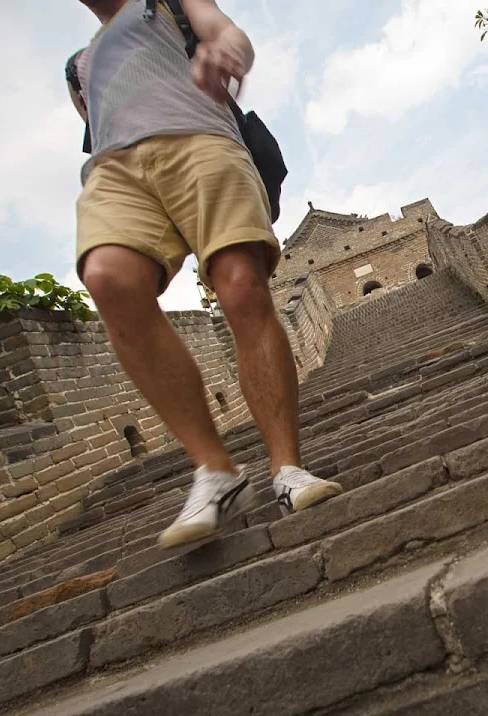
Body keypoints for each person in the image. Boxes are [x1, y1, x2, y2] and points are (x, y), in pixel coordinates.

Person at [69, 0, 342, 550]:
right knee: (108, 276)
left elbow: (227, 32)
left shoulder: (164, 3)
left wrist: (226, 52)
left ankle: (286, 469)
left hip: (202, 139)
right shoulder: (76, 65)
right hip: (117, 170)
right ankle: (215, 470)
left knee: (240, 287)